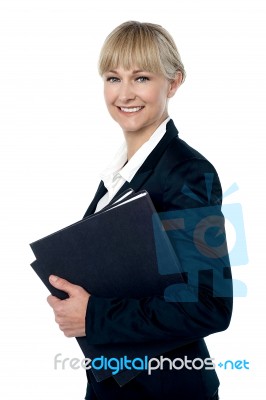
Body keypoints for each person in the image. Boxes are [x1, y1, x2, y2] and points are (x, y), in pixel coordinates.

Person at [47, 21, 233, 400]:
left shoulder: (188, 174)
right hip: (114, 384)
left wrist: (93, 316)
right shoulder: (118, 174)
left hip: (168, 388)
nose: (125, 93)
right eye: (113, 78)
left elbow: (210, 306)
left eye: (142, 77)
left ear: (174, 82)